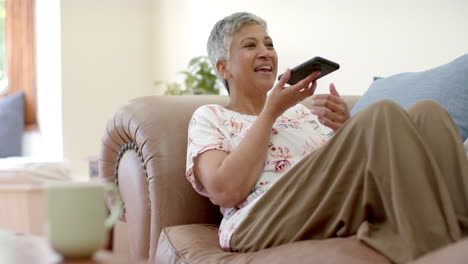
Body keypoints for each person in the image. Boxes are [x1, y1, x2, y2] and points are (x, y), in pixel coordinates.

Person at [185, 12, 468, 263]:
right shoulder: (209, 116)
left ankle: (459, 240)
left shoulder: (300, 115)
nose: (266, 52)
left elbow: (338, 175)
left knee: (429, 113)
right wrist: (269, 113)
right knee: (381, 113)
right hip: (257, 220)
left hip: (320, 206)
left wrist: (346, 127)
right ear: (224, 68)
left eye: (269, 44)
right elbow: (224, 191)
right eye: (250, 45)